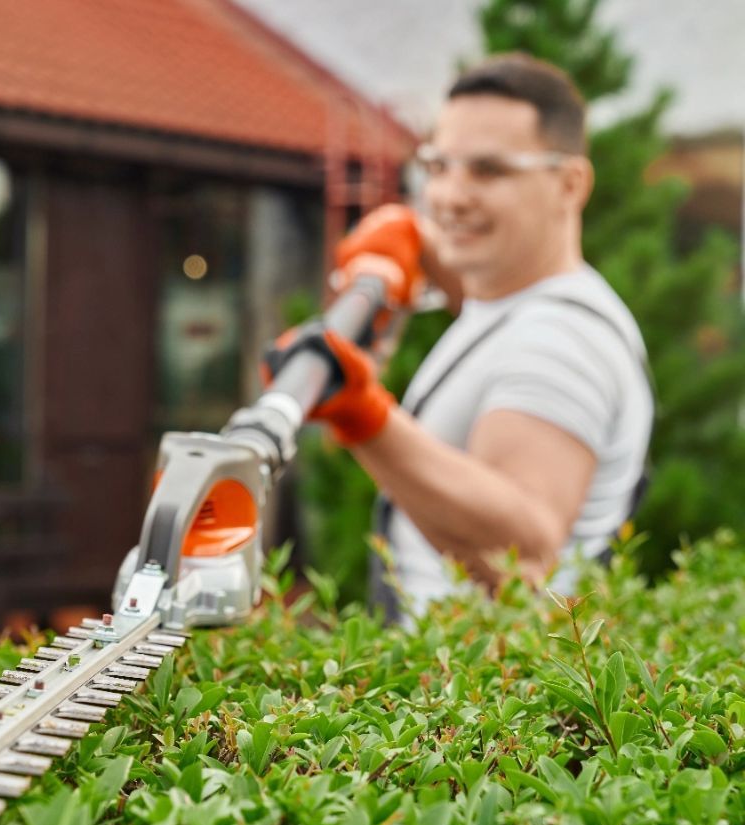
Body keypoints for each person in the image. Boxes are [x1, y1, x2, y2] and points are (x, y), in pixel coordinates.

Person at [270, 52, 653, 623]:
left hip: (479, 696)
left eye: (489, 171)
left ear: (569, 184)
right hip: (455, 680)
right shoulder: (514, 299)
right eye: (438, 167)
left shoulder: (560, 340)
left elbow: (524, 557)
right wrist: (409, 248)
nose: (448, 196)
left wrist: (363, 417)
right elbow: (472, 281)